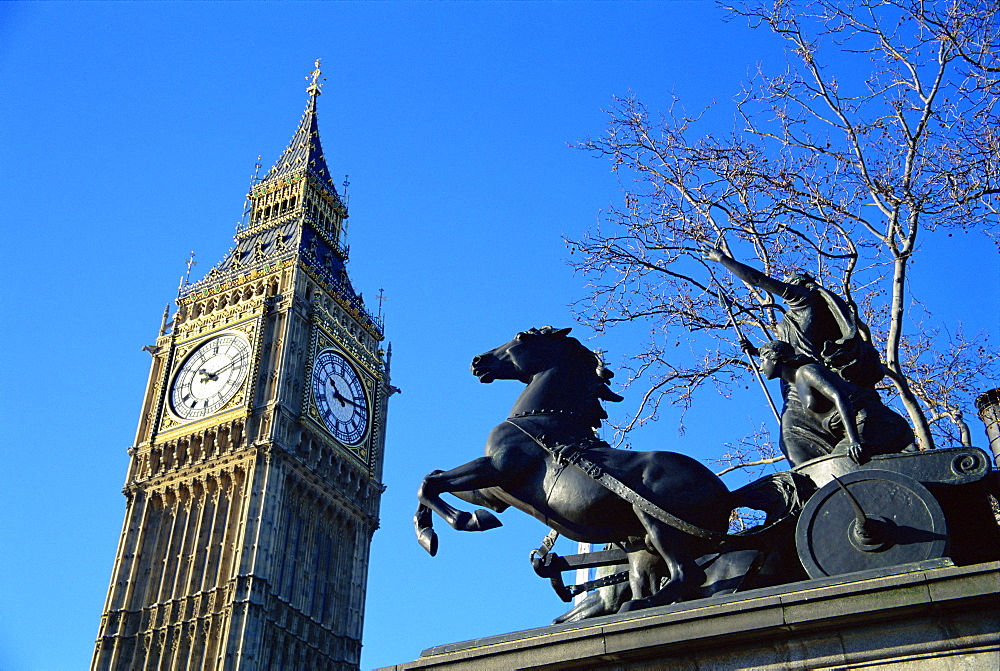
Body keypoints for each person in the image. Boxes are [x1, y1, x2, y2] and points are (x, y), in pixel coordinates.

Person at [705, 248, 884, 389]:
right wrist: (758, 352)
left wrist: (722, 259)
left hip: (816, 372)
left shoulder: (805, 299)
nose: (785, 284)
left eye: (788, 281)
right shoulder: (788, 321)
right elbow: (785, 350)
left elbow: (757, 280)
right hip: (795, 376)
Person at [758, 340, 914, 466]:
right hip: (858, 427)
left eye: (762, 360)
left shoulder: (807, 371)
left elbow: (840, 397)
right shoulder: (795, 384)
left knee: (839, 465)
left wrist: (854, 440)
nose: (760, 367)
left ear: (775, 358)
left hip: (874, 422)